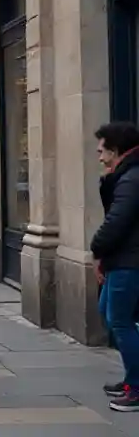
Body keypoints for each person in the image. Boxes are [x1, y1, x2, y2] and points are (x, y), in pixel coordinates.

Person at [90, 122, 139, 410]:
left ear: (116, 150)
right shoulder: (125, 176)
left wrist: (97, 248)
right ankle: (133, 376)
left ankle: (136, 387)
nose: (99, 157)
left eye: (102, 151)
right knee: (109, 314)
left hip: (129, 260)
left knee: (119, 320)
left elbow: (117, 221)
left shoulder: (130, 179)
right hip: (121, 258)